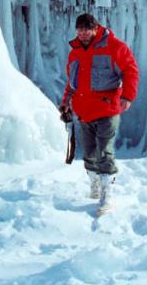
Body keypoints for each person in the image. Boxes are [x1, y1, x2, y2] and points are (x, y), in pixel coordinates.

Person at [59, 13, 139, 215]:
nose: (83, 34)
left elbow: (130, 70)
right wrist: (66, 102)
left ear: (96, 29)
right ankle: (95, 186)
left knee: (105, 153)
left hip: (107, 109)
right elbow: (72, 82)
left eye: (87, 30)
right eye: (80, 30)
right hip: (84, 111)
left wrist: (127, 96)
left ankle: (107, 195)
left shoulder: (114, 47)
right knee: (89, 154)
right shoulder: (75, 52)